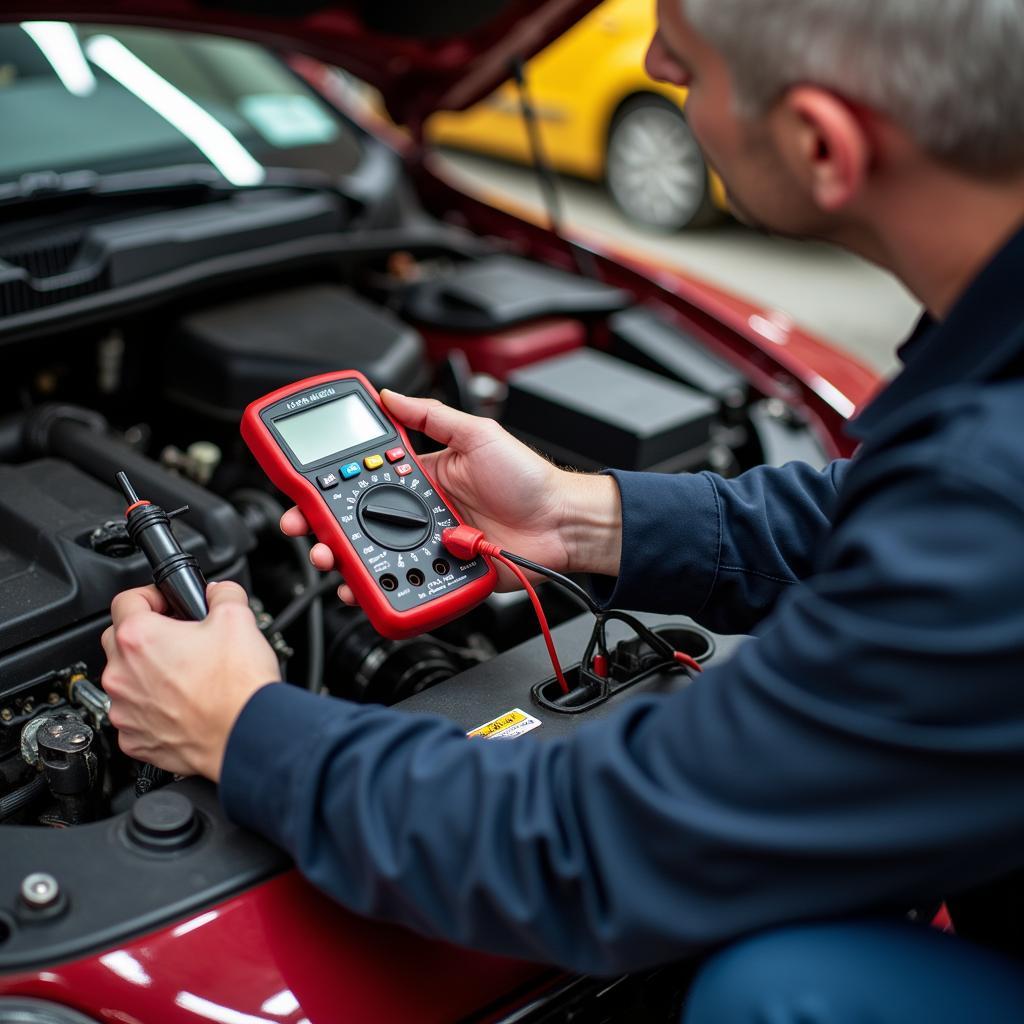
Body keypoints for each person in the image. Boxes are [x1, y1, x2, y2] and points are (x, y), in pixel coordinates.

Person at [100, 0, 1024, 1020]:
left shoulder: (990, 491)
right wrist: (582, 519)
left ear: (819, 143)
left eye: (688, 56)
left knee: (779, 994)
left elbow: (600, 849)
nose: (657, 62)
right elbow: (886, 517)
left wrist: (240, 728)